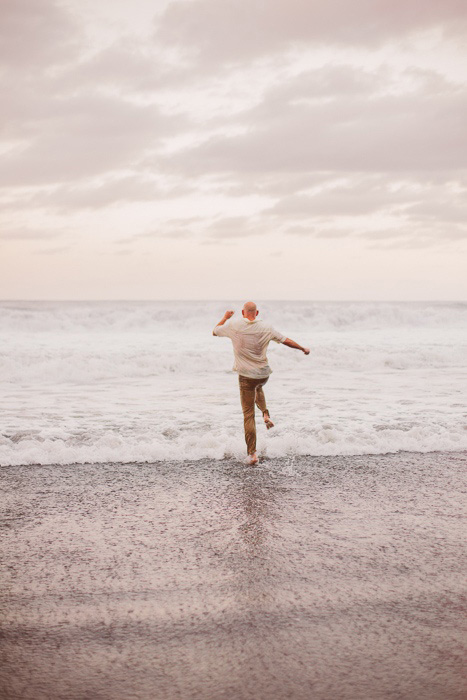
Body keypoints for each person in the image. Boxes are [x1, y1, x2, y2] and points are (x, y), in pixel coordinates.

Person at [213, 301, 310, 464]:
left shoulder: (234, 325)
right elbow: (286, 340)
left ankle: (252, 454)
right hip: (263, 374)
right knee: (257, 386)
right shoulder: (266, 327)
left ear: (243, 313)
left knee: (248, 414)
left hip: (245, 375)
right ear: (256, 313)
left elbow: (215, 331)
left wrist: (225, 317)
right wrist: (302, 348)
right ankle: (266, 414)